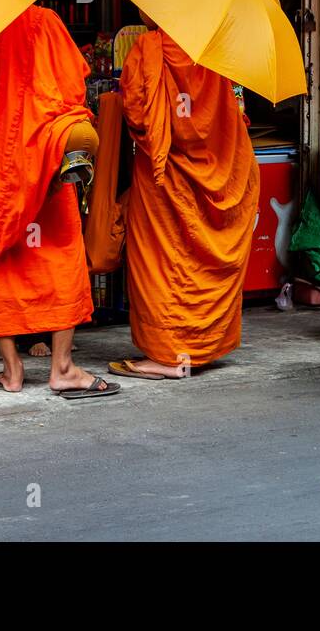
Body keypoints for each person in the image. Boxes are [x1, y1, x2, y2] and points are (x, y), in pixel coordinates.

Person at [0, 5, 120, 399]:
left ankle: (12, 370)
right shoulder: (41, 22)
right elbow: (72, 89)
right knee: (59, 256)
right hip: (44, 161)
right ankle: (63, 368)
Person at [107, 20, 259, 380]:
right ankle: (200, 348)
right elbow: (235, 110)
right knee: (196, 260)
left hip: (164, 177)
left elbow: (137, 112)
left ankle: (167, 357)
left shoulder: (148, 48)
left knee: (161, 262)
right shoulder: (217, 52)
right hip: (221, 170)